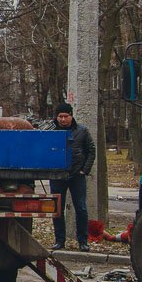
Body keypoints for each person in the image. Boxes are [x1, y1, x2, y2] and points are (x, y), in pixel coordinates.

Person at [50, 102, 96, 252]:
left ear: (71, 116)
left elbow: (91, 150)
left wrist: (84, 170)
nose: (63, 120)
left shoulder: (82, 131)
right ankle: (59, 240)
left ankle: (83, 241)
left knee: (81, 208)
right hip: (57, 175)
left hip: (77, 175)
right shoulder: (50, 131)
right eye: (60, 116)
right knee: (57, 209)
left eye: (66, 116)